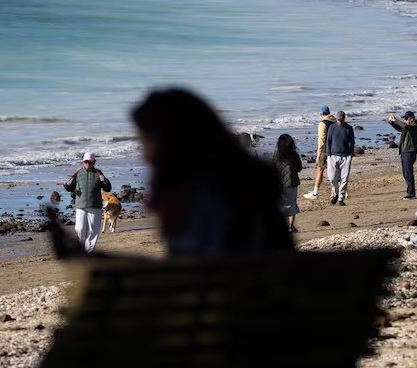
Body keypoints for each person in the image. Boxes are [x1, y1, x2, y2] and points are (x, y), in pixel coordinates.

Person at [120, 89, 292, 257]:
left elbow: (201, 268)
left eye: (146, 143)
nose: (144, 154)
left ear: (173, 143)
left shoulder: (206, 198)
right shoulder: (241, 185)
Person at [64, 152, 112, 254]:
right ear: (83, 162)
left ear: (94, 162)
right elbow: (71, 187)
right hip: (80, 204)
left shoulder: (99, 174)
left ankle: (89, 250)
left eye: (90, 162)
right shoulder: (78, 173)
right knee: (79, 228)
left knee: (93, 230)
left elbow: (107, 188)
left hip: (95, 205)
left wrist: (105, 181)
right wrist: (67, 187)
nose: (87, 164)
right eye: (85, 162)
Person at [388, 110, 417, 199]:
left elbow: (405, 126)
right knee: (405, 173)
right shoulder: (408, 126)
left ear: (412, 118)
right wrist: (392, 122)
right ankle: (410, 192)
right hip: (404, 151)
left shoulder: (416, 125)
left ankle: (411, 193)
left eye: (407, 119)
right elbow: (400, 128)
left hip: (410, 151)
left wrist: (396, 121)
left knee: (408, 172)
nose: (406, 121)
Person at [273, 134, 303, 233]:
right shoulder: (294, 155)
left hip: (279, 184)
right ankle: (291, 226)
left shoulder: (276, 155)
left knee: (282, 205)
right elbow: (299, 169)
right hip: (292, 183)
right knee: (292, 204)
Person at [325, 110, 356, 206]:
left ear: (344, 119)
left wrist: (351, 153)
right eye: (339, 120)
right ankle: (336, 192)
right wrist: (328, 153)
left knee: (344, 178)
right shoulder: (332, 127)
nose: (340, 122)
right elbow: (328, 140)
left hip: (346, 156)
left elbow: (352, 141)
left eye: (341, 120)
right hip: (333, 155)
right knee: (332, 178)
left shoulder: (349, 128)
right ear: (336, 119)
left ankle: (340, 198)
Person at [304, 105, 333, 200]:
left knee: (320, 170)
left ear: (321, 114)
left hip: (325, 150)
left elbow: (321, 140)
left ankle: (315, 192)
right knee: (334, 171)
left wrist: (318, 153)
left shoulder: (322, 123)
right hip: (335, 149)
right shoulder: (335, 121)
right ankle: (336, 191)